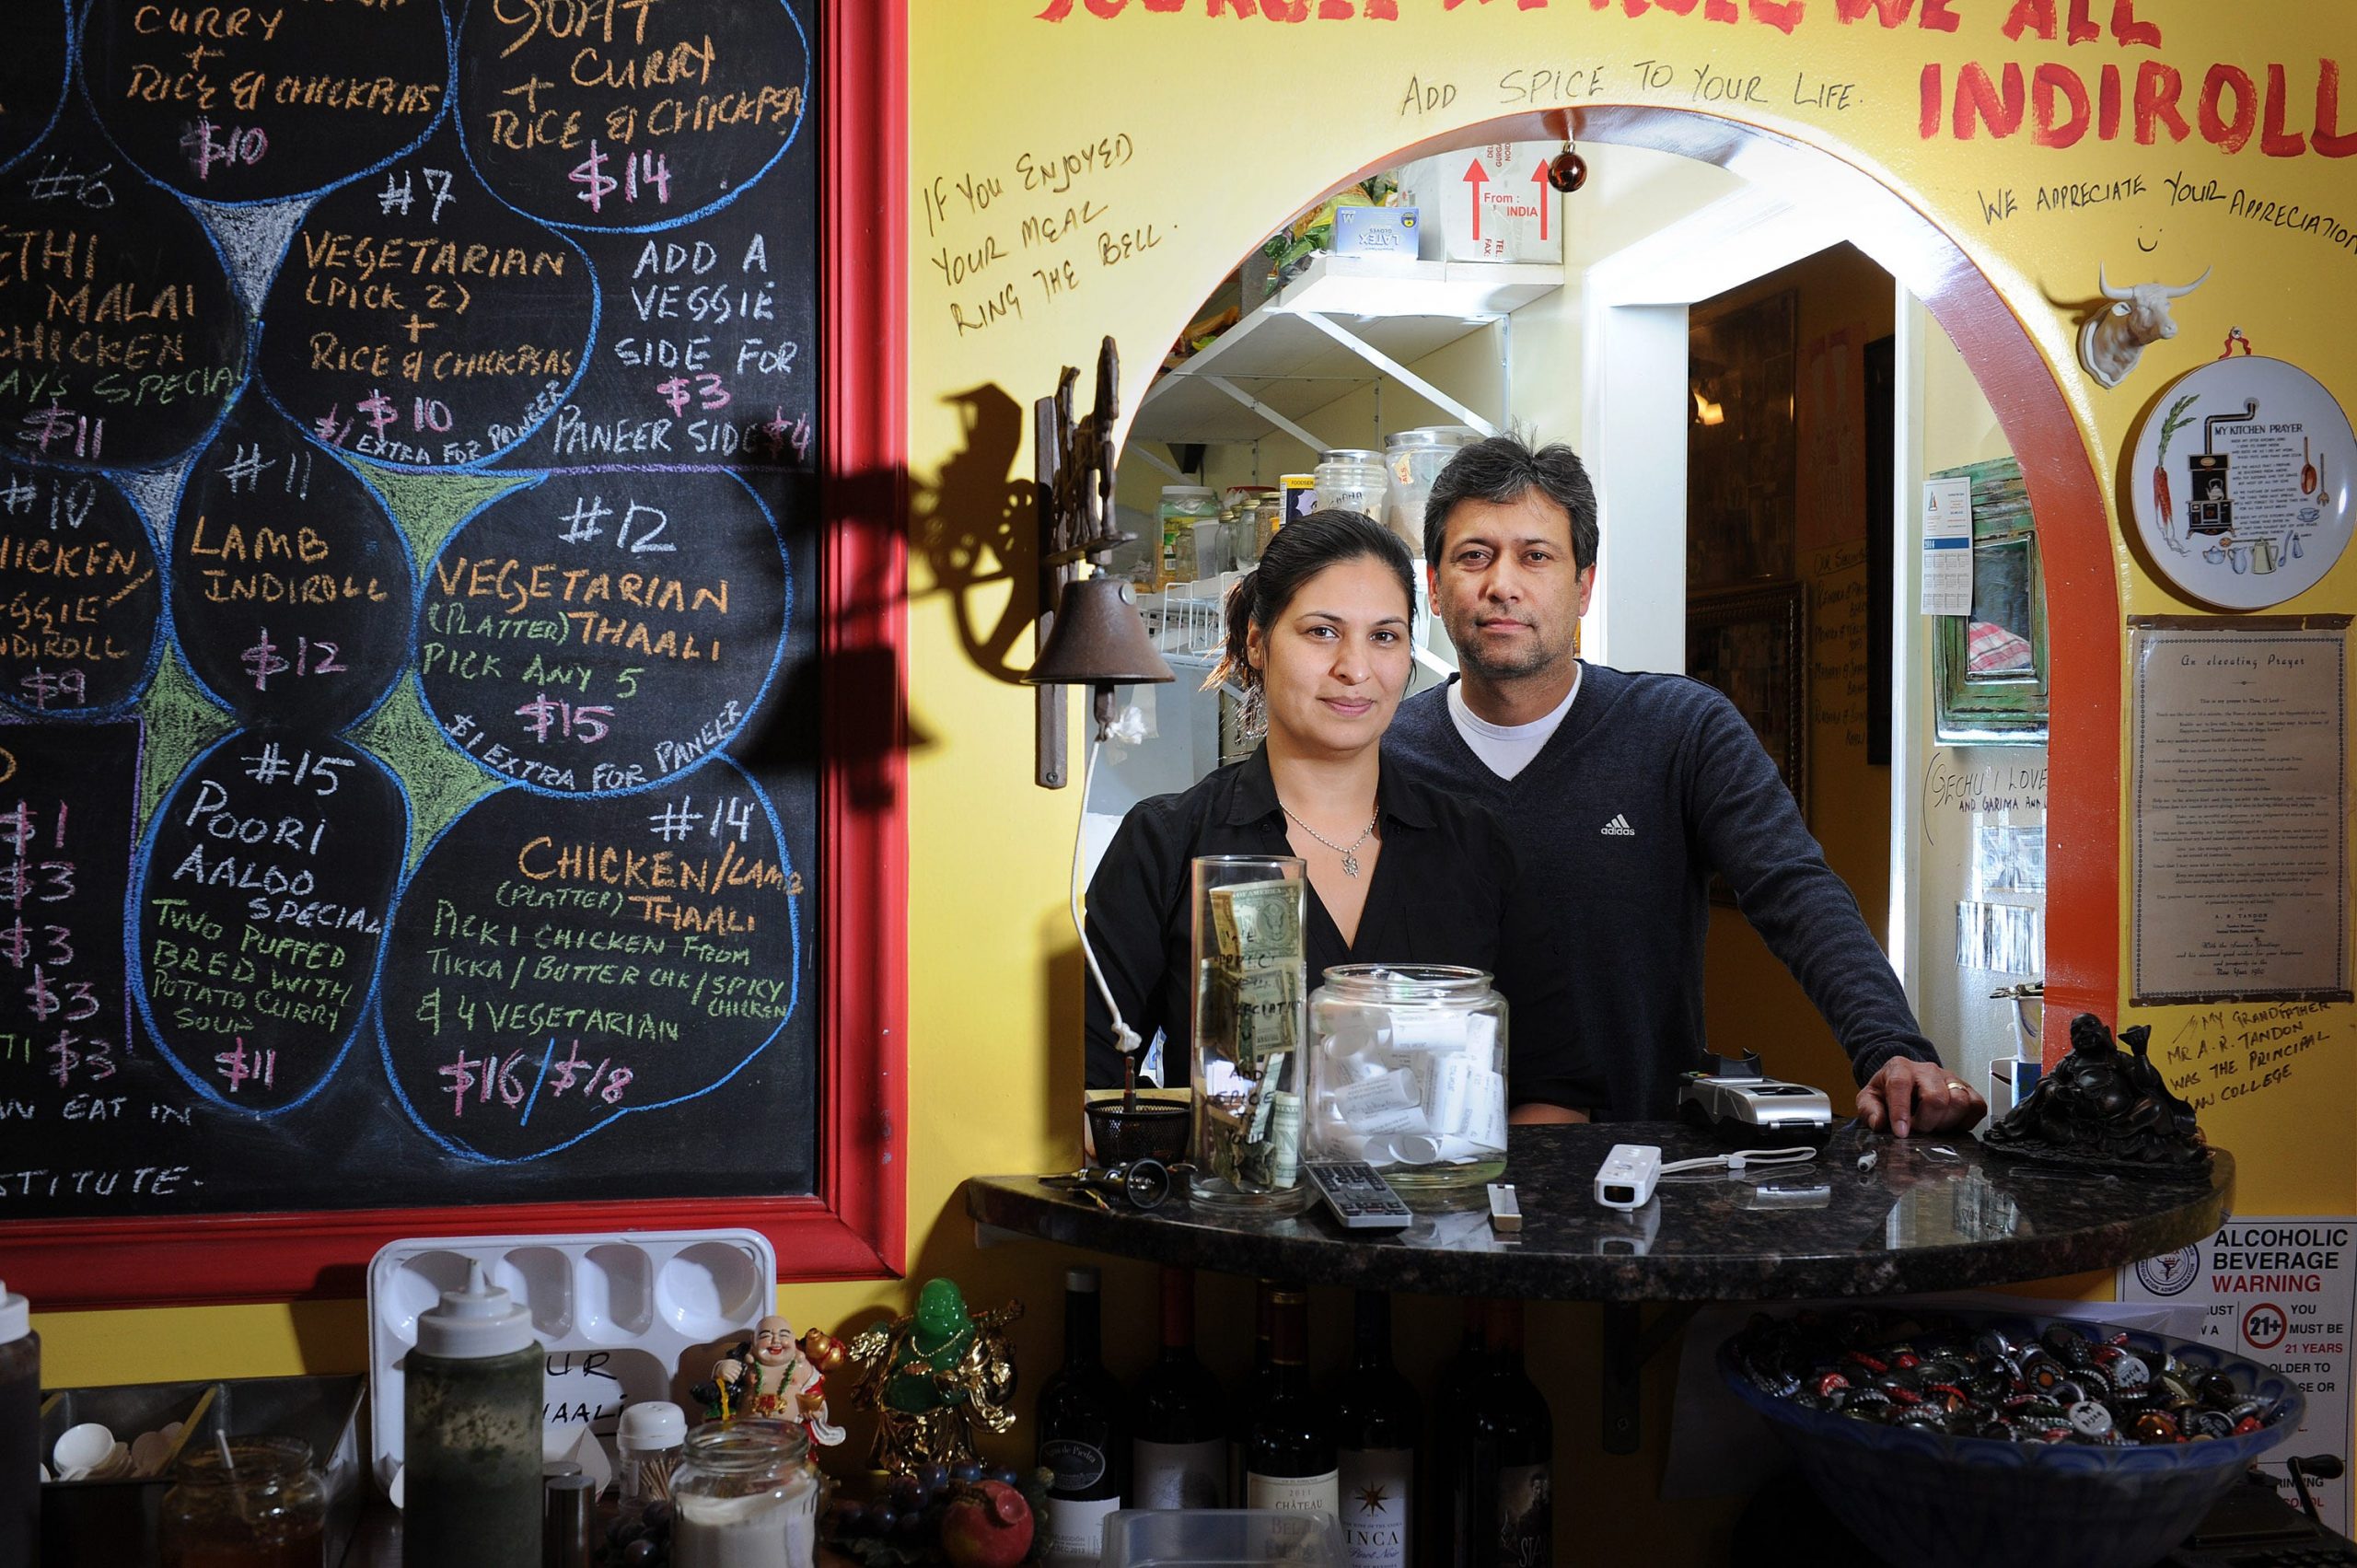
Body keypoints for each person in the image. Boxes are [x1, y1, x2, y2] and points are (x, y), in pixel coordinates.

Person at [1384, 435, 1984, 1137]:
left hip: (1643, 1168)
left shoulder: (1680, 730)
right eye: (1474, 555)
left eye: (1535, 555)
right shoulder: (1388, 752)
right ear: (1433, 584)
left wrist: (1890, 1045)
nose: (1502, 583)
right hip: (1421, 1163)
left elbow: (1796, 891)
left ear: (1584, 585)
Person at [1084, 510, 1533, 1090]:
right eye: (1322, 631)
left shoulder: (1476, 847)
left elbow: (1548, 1086)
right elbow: (1090, 1080)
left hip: (1446, 1183)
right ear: (1257, 642)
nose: (1355, 669)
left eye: (1384, 636)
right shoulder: (1168, 843)